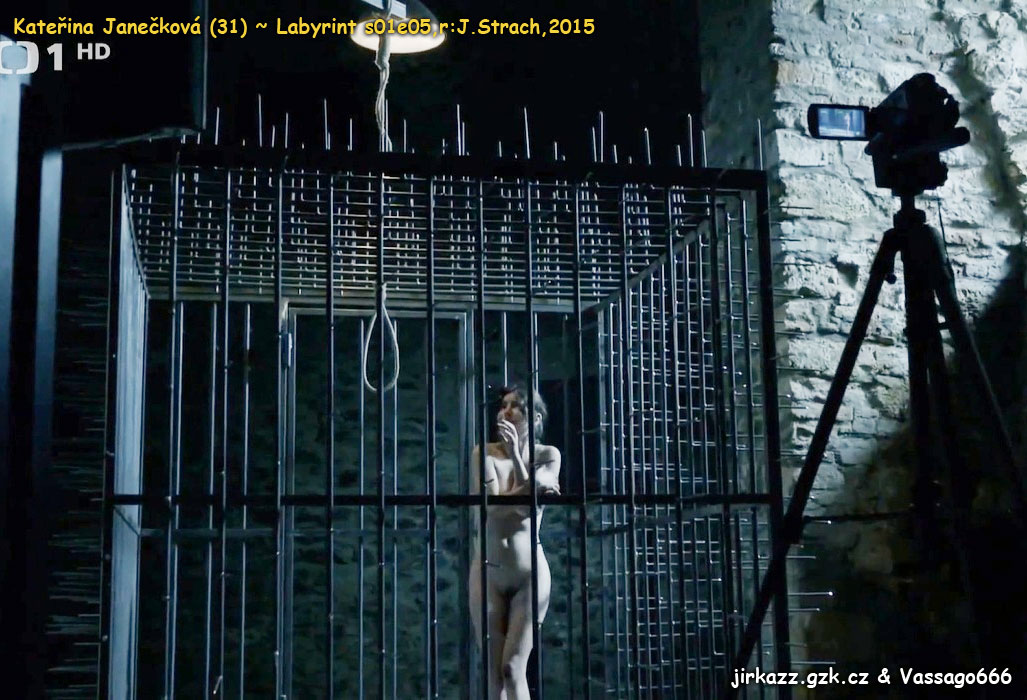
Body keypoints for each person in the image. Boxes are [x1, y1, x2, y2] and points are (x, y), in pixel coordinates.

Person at [469, 384, 561, 700]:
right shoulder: (483, 453)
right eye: (503, 405)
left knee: (512, 668)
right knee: (494, 675)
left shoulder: (548, 455)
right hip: (488, 572)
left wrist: (517, 460)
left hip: (529, 575)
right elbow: (492, 508)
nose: (505, 412)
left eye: (515, 406)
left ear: (535, 417)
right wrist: (529, 488)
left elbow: (528, 509)